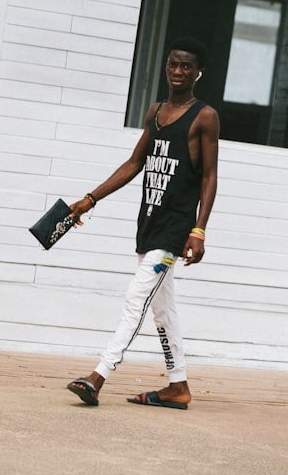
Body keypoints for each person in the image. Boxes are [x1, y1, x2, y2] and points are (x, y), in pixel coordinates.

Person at [65, 37, 219, 409]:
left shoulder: (204, 116)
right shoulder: (156, 112)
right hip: (150, 222)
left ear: (198, 72)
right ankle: (177, 386)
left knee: (136, 298)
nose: (178, 71)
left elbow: (209, 176)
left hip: (175, 229)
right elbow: (135, 163)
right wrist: (89, 199)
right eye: (172, 64)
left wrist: (198, 230)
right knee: (163, 310)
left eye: (186, 66)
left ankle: (98, 375)